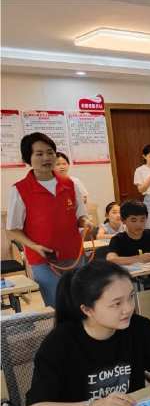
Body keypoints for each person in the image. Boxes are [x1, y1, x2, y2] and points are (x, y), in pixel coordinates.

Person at [25, 260, 150, 406]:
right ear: (87, 309)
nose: (128, 308)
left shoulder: (138, 327)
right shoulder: (59, 344)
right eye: (117, 303)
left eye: (131, 297)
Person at [7, 132, 95, 308]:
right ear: (28, 159)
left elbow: (80, 216)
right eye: (39, 154)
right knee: (57, 305)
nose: (46, 158)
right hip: (44, 259)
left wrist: (86, 222)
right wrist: (35, 247)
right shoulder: (20, 190)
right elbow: (13, 230)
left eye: (50, 152)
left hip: (74, 255)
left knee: (81, 304)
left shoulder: (69, 184)